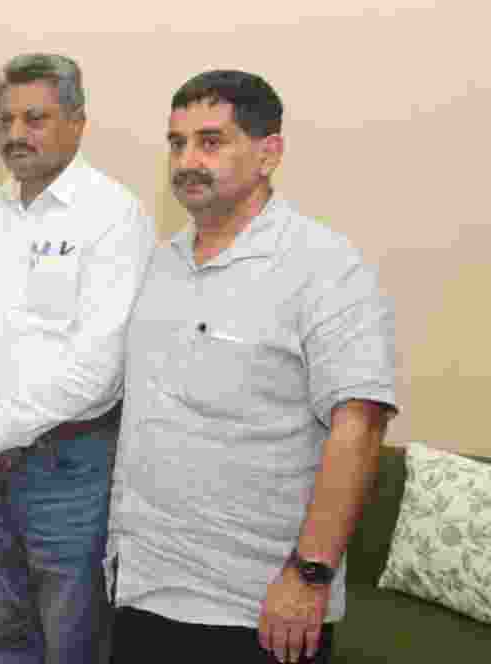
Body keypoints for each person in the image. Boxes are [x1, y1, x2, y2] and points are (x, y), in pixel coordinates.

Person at [108, 70, 398, 664]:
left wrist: (310, 573)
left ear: (269, 153)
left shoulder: (325, 266)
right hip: (142, 587)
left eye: (211, 142)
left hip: (257, 609)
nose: (187, 159)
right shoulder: (161, 266)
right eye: (176, 142)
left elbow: (360, 426)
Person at [0, 54, 154, 664]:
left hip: (71, 465)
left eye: (35, 118)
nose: (15, 134)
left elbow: (100, 366)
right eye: (5, 119)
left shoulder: (113, 215)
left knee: (70, 637)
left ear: (78, 122)